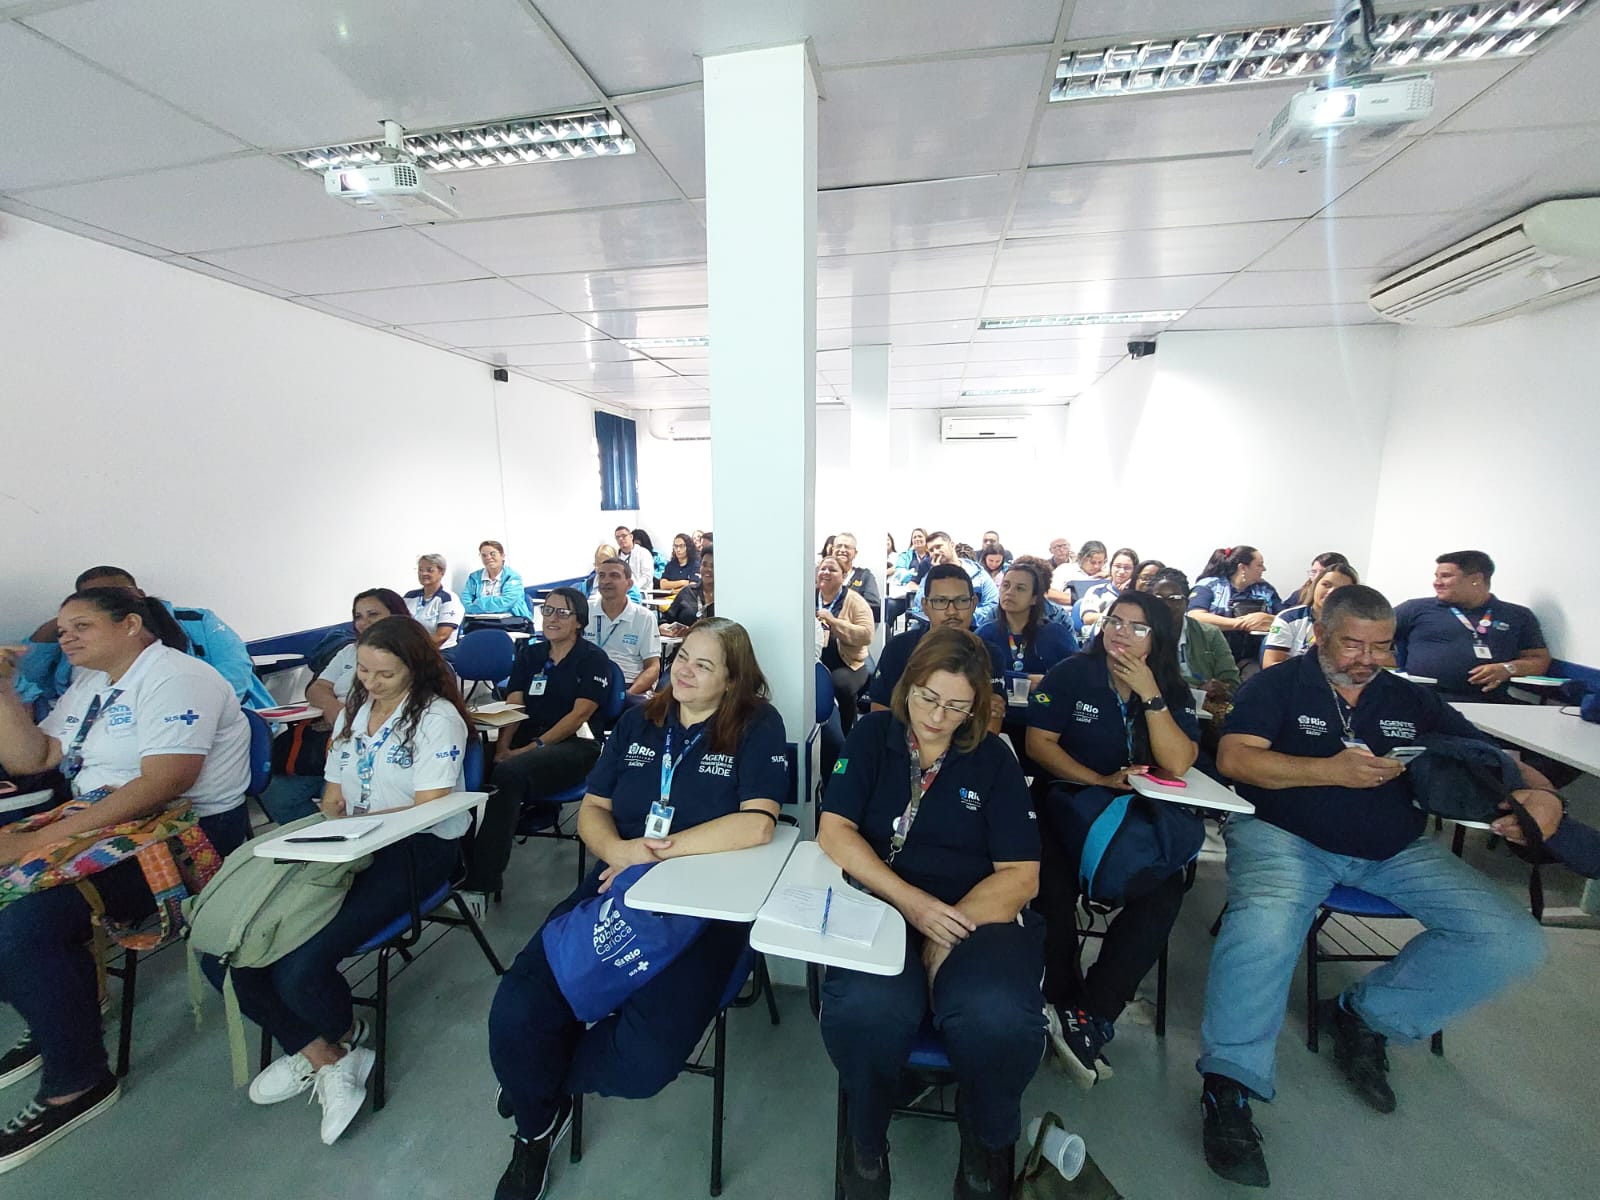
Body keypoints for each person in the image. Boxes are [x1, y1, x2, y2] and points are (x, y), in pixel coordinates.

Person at [1196, 585, 1548, 1189]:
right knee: (1264, 928)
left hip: (1393, 849)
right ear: (1319, 629)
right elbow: (1235, 759)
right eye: (1351, 643)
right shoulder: (1277, 685)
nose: (1365, 658)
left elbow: (1492, 754)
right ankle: (1229, 1085)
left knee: (1511, 937)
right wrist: (1328, 771)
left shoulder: (1406, 697)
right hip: (1286, 837)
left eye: (1380, 646)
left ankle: (1364, 1015)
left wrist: (1542, 796)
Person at [487, 619, 788, 1200]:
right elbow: (595, 808)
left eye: (704, 664)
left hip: (705, 907)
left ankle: (541, 1084)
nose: (684, 670)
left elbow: (757, 822)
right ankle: (536, 1127)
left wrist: (657, 854)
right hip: (614, 881)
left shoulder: (755, 725)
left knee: (642, 1066)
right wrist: (621, 851)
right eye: (681, 656)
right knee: (516, 1014)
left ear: (733, 680)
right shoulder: (638, 720)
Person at [0, 588, 252, 1170]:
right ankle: (54, 1009)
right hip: (104, 825)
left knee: (25, 925)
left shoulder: (175, 677)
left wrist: (38, 842)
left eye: (81, 625)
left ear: (132, 624)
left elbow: (163, 783)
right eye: (61, 629)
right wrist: (5, 691)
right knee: (22, 923)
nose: (65, 638)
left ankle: (78, 1080)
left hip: (183, 836)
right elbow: (31, 758)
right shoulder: (92, 683)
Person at [200, 616, 471, 1147]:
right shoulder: (356, 711)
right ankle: (328, 1053)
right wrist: (332, 821)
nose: (369, 682)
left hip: (414, 848)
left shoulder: (438, 718)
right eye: (363, 671)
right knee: (224, 949)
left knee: (300, 966)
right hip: (345, 842)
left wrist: (353, 824)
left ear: (415, 668)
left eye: (383, 673)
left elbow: (429, 807)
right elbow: (332, 793)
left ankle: (330, 1042)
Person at [820, 628, 1043, 1200]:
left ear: (977, 707)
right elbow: (835, 832)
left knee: (999, 1017)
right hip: (884, 901)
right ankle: (865, 1142)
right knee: (867, 1010)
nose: (937, 717)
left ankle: (984, 1142)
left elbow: (1022, 875)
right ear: (907, 685)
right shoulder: (873, 736)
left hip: (974, 914)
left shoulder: (992, 759)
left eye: (956, 707)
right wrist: (913, 906)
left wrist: (949, 927)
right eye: (926, 698)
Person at [1026, 591, 1201, 1087]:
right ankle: (1061, 998)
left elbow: (1178, 762)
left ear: (1158, 638)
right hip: (1063, 806)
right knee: (1050, 888)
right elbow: (1039, 745)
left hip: (1130, 821)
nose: (1119, 632)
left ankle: (1094, 1013)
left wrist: (1150, 695)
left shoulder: (1169, 687)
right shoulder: (1071, 674)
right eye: (1114, 621)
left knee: (1166, 889)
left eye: (1136, 627)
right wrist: (1097, 779)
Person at [470, 589, 614, 895]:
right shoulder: (531, 655)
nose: (552, 618)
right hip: (526, 735)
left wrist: (529, 749)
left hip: (577, 745)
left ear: (579, 622)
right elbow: (515, 705)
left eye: (562, 613)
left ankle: (481, 882)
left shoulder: (592, 659)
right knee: (469, 763)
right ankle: (455, 867)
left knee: (510, 773)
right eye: (548, 610)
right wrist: (501, 748)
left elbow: (578, 716)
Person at [16, 566, 273, 711]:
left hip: (207, 715)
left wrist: (205, 711)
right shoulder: (82, 649)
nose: (110, 602)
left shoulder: (195, 622)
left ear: (139, 593)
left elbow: (235, 669)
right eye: (97, 597)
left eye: (117, 593)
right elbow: (28, 673)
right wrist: (66, 621)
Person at [262, 587, 411, 825]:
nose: (364, 622)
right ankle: (319, 837)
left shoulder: (410, 655)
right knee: (276, 792)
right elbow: (316, 688)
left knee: (342, 798)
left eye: (373, 614)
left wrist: (350, 717)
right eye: (358, 616)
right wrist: (334, 709)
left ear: (396, 616)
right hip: (331, 738)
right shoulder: (348, 651)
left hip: (375, 745)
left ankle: (348, 839)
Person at [1393, 550, 1552, 704]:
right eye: (1436, 576)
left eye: (1446, 576)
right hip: (1424, 698)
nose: (1437, 583)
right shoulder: (1415, 609)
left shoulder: (1517, 615)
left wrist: (1508, 668)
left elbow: (1539, 659)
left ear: (1476, 579)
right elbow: (1373, 635)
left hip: (1489, 700)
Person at [870, 564, 1007, 732]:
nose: (952, 611)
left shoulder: (989, 654)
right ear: (925, 606)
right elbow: (879, 715)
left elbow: (992, 725)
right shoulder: (899, 648)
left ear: (974, 604)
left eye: (961, 601)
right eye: (940, 601)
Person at [977, 556, 1078, 766]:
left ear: (1034, 598)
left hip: (1043, 725)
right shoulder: (986, 633)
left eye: (1020, 588)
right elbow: (973, 675)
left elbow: (1074, 678)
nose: (1009, 592)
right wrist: (1025, 679)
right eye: (1006, 585)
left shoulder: (1054, 634)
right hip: (997, 720)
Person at [1147, 569, 1242, 703]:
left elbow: (1232, 683)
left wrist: (1221, 689)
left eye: (1174, 599)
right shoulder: (1143, 634)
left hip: (1207, 710)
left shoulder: (1210, 634)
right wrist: (1196, 691)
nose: (1166, 605)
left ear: (1186, 602)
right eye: (1159, 599)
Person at [1187, 546, 1281, 664]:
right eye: (1259, 565)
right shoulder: (1210, 585)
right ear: (1242, 567)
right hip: (1212, 655)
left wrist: (1269, 619)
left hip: (1254, 658)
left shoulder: (1265, 589)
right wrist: (1242, 624)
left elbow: (1284, 618)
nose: (1264, 569)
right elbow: (1195, 616)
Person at [1262, 562, 1361, 670]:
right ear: (1314, 586)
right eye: (1326, 585)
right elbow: (1270, 664)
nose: (1331, 592)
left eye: (1341, 589)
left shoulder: (1357, 625)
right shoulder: (1289, 619)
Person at [587, 559, 661, 703]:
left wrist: (626, 695)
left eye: (614, 576)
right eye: (602, 575)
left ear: (629, 584)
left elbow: (653, 667)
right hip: (588, 682)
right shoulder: (586, 611)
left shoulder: (644, 617)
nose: (606, 581)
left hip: (628, 683)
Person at [816, 556, 875, 735]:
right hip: (816, 660)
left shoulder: (855, 601)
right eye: (823, 569)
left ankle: (846, 734)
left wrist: (834, 622)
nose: (826, 573)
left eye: (832, 570)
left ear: (843, 576)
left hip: (848, 663)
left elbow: (866, 635)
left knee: (840, 685)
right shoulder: (808, 595)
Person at [907, 532, 998, 627]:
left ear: (952, 545)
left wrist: (966, 616)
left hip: (973, 627)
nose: (935, 552)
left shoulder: (979, 574)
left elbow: (993, 604)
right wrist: (935, 573)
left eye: (938, 547)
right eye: (931, 550)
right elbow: (919, 603)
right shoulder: (930, 574)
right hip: (938, 627)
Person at [462, 541, 533, 622]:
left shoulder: (513, 577)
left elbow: (506, 603)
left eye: (493, 554)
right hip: (480, 622)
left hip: (511, 622)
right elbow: (465, 603)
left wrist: (479, 601)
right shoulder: (474, 577)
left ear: (502, 556)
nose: (488, 557)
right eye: (484, 555)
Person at [405, 554, 465, 650]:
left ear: (442, 572)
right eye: (420, 569)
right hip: (410, 650)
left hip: (439, 652)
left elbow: (441, 637)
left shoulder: (449, 600)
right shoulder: (409, 597)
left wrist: (414, 650)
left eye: (430, 570)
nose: (423, 573)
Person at [1076, 547, 1139, 632]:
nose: (1121, 571)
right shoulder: (1097, 591)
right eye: (1117, 566)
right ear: (1111, 567)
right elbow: (1088, 617)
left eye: (1127, 568)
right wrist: (1117, 620)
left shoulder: (1139, 594)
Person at [661, 547, 714, 635]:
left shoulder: (726, 598)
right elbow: (664, 621)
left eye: (713, 566)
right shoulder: (687, 592)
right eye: (704, 565)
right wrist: (667, 629)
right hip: (685, 645)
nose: (708, 569)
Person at [832, 532, 882, 623]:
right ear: (832, 550)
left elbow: (874, 605)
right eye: (839, 546)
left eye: (847, 547)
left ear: (855, 553)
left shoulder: (865, 576)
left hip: (852, 628)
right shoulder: (822, 574)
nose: (842, 550)